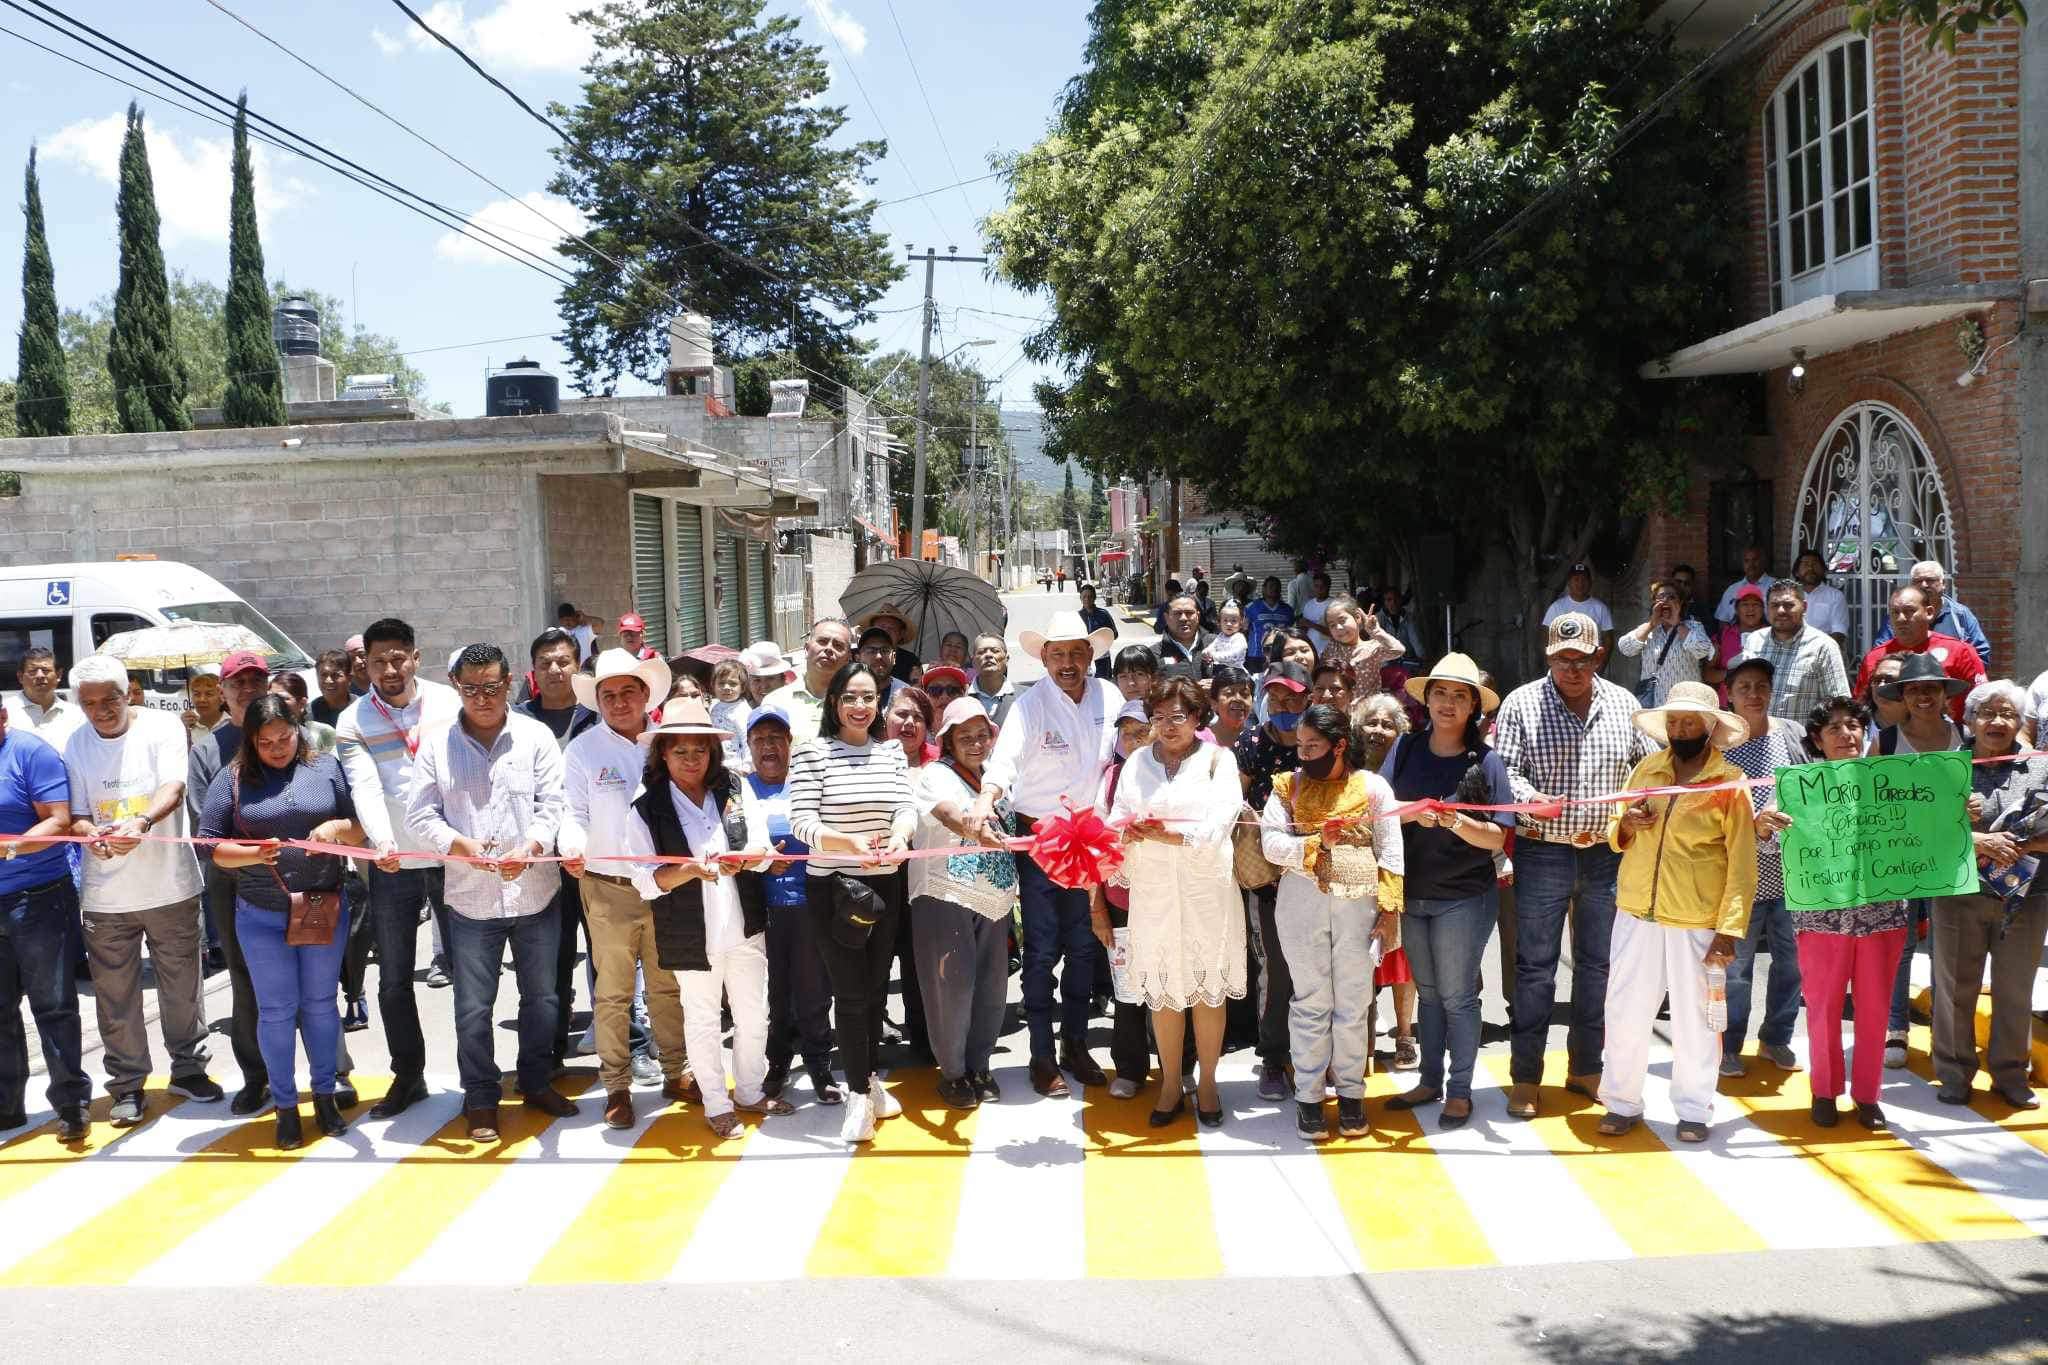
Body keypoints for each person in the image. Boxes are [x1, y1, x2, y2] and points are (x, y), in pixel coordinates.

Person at [1491, 611, 1655, 1120]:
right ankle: (1526, 1076)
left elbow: (1645, 770)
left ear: (1598, 656)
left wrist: (1642, 803)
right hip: (1543, 850)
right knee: (1535, 969)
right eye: (1562, 659)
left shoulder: (1625, 704)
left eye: (1581, 659)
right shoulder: (1521, 703)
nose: (1572, 668)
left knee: (1598, 968)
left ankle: (1586, 1068)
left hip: (1607, 854)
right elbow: (1503, 771)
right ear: (1548, 657)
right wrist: (1529, 797)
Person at [407, 643, 573, 1143]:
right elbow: (419, 814)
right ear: (456, 685)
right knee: (473, 1007)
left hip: (536, 893)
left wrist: (535, 844)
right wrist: (457, 843)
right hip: (469, 899)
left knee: (543, 998)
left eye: (493, 687)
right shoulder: (436, 745)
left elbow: (554, 803)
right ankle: (480, 1097)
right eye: (472, 687)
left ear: (510, 684)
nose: (483, 697)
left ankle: (537, 1079)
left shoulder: (536, 736)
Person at [200, 695, 366, 1149]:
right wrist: (253, 853)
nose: (276, 748)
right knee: (275, 1012)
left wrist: (335, 830)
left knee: (319, 1004)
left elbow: (360, 826)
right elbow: (207, 845)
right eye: (265, 741)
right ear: (250, 742)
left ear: (299, 730)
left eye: (284, 737)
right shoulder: (231, 779)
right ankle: (286, 1107)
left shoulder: (326, 768)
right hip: (260, 913)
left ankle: (326, 1097)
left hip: (322, 905)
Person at [970, 611, 1121, 1097]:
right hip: (1041, 840)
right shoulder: (1030, 706)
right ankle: (1041, 1053)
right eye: (1059, 654)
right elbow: (1004, 763)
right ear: (1044, 658)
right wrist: (984, 800)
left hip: (1092, 837)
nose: (1069, 663)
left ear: (1090, 654)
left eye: (1077, 652)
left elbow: (1130, 751)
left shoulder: (1109, 696)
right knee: (1041, 948)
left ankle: (1076, 1043)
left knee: (1084, 944)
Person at [64, 655, 220, 1126]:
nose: (100, 711)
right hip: (106, 895)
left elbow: (172, 788)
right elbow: (76, 813)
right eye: (88, 703)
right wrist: (91, 832)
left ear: (128, 692)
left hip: (169, 885)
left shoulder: (162, 727)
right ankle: (128, 1084)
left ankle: (188, 1068)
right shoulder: (76, 743)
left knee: (183, 986)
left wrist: (143, 822)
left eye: (108, 699)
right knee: (115, 996)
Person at [1598, 682, 1754, 1143]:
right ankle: (1621, 1103)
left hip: (1697, 919)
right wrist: (1626, 824)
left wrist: (1728, 930)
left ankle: (1693, 1108)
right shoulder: (1646, 769)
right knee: (1624, 1010)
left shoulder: (1730, 782)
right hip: (1636, 912)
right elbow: (1614, 828)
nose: (1680, 728)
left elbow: (1742, 862)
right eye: (1674, 720)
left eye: (1689, 721)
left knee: (1696, 1020)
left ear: (1709, 727)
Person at [622, 700, 785, 1139]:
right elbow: (643, 879)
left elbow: (763, 849)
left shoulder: (734, 788)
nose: (691, 759)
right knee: (703, 1019)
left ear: (713, 752)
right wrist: (689, 870)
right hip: (691, 933)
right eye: (680, 751)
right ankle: (716, 1102)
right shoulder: (645, 808)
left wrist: (745, 859)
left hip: (743, 926)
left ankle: (749, 1091)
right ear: (663, 755)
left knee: (754, 1015)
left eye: (700, 750)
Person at [558, 649, 694, 1130]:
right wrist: (571, 845)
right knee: (613, 993)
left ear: (645, 695)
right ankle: (616, 1085)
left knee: (667, 985)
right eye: (608, 694)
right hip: (607, 886)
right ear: (598, 701)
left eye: (627, 692)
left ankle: (677, 1071)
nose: (618, 702)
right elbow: (572, 813)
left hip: (666, 884)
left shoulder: (667, 743)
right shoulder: (582, 750)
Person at [1259, 703, 1403, 1141]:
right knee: (1310, 1000)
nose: (1303, 754)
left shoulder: (1374, 787)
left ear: (1340, 745)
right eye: (1300, 745)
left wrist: (1390, 910)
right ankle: (1308, 1097)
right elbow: (1270, 844)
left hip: (1359, 904)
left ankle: (1353, 1095)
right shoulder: (1286, 788)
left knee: (1355, 1002)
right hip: (1301, 901)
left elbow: (1391, 849)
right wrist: (1315, 843)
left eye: (1313, 746)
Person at [1106, 677, 1246, 1127]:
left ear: (1198, 718)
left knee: (1207, 990)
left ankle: (1206, 1082)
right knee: (1164, 992)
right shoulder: (1135, 764)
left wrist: (1174, 834)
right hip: (1154, 891)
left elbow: (1224, 815)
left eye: (1178, 716)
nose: (1167, 726)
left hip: (1206, 891)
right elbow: (1115, 819)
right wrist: (1125, 830)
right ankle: (1170, 1084)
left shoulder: (1217, 761)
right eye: (1159, 717)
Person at [336, 618, 461, 1121]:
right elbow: (364, 785)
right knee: (392, 980)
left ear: (415, 657)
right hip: (394, 864)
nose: (389, 669)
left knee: (470, 976)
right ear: (364, 662)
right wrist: (383, 843)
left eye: (398, 658)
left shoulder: (449, 705)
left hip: (453, 858)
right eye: (379, 660)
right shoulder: (353, 720)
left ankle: (479, 1077)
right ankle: (408, 1076)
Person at [789, 661, 918, 1142]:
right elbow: (803, 823)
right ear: (834, 703)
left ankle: (870, 1080)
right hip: (834, 889)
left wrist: (902, 834)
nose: (860, 706)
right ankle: (859, 1096)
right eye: (850, 697)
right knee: (849, 992)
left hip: (884, 885)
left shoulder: (891, 755)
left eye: (868, 697)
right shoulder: (813, 754)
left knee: (875, 987)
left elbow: (905, 806)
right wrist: (849, 844)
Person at [1382, 656, 1510, 1129]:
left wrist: (1458, 821)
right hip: (1412, 891)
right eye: (1440, 693)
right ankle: (1430, 1080)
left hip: (1464, 894)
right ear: (1426, 699)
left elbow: (1499, 836)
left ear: (1474, 705)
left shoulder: (1487, 761)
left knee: (1457, 996)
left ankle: (1459, 1091)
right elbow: (1379, 809)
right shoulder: (1405, 748)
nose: (1448, 704)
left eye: (1460, 695)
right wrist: (1412, 813)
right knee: (1430, 994)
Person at [1786, 696, 1910, 1130]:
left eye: (1854, 725)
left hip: (1883, 917)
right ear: (1817, 740)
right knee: (1822, 1010)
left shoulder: (1890, 781)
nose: (1846, 734)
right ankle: (1824, 1091)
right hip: (1822, 918)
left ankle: (1868, 1097)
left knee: (1875, 1009)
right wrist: (1766, 824)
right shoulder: (1799, 788)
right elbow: (1775, 847)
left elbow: (1921, 832)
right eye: (1834, 728)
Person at [1930, 680, 2048, 1107]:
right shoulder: (1946, 767)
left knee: (2015, 987)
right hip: (1958, 893)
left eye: (2009, 714)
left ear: (2021, 722)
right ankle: (1954, 1072)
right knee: (1955, 986)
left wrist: (2023, 844)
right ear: (1970, 719)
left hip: (2027, 897)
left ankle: (2010, 1073)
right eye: (1988, 713)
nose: (1998, 721)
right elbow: (1922, 833)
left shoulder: (2040, 765)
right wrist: (1975, 838)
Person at [913, 699, 1020, 1108]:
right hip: (945, 896)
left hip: (995, 901)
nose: (975, 744)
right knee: (951, 988)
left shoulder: (995, 778)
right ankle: (953, 1073)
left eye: (982, 735)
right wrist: (973, 827)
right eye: (964, 736)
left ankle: (979, 1065)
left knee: (992, 987)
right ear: (947, 741)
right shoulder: (934, 776)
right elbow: (948, 815)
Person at [0, 698, 94, 1141]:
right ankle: (7, 1107)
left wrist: (11, 847)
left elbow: (57, 822)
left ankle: (71, 1104)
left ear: (2, 717)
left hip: (37, 896)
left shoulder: (30, 753)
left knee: (53, 1005)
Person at [1718, 654, 1806, 1076]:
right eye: (1744, 687)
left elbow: (1815, 790)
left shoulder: (1793, 734)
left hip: (1792, 877)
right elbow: (1711, 810)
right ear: (1729, 695)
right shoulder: (1718, 744)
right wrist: (1752, 825)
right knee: (1736, 969)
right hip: (1741, 878)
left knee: (1792, 964)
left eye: (1762, 686)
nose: (1754, 694)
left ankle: (1776, 1038)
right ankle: (1729, 1045)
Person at [746, 707, 838, 1103]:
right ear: (748, 746)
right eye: (760, 739)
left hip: (808, 902)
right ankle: (778, 1060)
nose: (768, 746)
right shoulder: (740, 789)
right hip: (758, 907)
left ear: (789, 744)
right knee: (773, 991)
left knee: (812, 988)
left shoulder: (805, 783)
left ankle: (819, 1062)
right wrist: (762, 857)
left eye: (776, 738)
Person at [1238, 660, 1309, 1101]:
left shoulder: (1317, 742)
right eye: (1275, 696)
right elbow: (1237, 797)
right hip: (1266, 877)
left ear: (1307, 698)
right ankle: (1272, 1056)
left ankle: (1311, 1057)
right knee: (1276, 970)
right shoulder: (1251, 743)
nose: (1283, 705)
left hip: (1315, 873)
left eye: (1292, 697)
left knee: (1317, 972)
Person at [1093, 699, 1157, 1098]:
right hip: (1121, 897)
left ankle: (1178, 1064)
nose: (1133, 740)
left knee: (1173, 983)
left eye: (1141, 731)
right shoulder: (1110, 777)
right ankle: (1130, 1068)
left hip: (1169, 896)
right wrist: (1097, 907)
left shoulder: (1175, 772)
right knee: (1128, 986)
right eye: (1126, 732)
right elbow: (1096, 846)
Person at [884, 685, 937, 1059]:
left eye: (918, 718)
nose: (908, 723)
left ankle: (924, 1040)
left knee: (921, 965)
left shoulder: (939, 765)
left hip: (926, 880)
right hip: (877, 879)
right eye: (901, 714)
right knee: (873, 965)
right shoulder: (867, 760)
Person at [1854, 584, 1987, 725]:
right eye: (1895, 612)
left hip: (1951, 742)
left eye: (1909, 611)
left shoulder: (1960, 652)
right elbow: (1861, 705)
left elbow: (1981, 701)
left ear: (1929, 612)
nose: (1901, 619)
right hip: (1890, 742)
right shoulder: (1874, 658)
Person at [1741, 580, 1851, 723]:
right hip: (1759, 741)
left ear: (1804, 607)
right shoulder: (1755, 640)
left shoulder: (1823, 646)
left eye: (1788, 605)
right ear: (1767, 609)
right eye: (1774, 605)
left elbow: (1839, 704)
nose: (1781, 610)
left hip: (1801, 743)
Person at [1873, 560, 1993, 669]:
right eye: (1918, 581)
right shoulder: (1898, 617)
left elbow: (1981, 653)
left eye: (1930, 580)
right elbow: (1882, 651)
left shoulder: (1960, 614)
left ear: (1943, 583)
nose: (1924, 585)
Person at [1617, 579, 1715, 705]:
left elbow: (1703, 650)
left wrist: (1676, 623)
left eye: (1671, 597)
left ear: (1680, 603)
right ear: (1654, 603)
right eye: (1661, 597)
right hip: (1656, 704)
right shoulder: (1648, 630)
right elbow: (1625, 648)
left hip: (1686, 702)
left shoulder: (1693, 626)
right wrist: (1651, 624)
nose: (1666, 600)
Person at [764, 617, 855, 748]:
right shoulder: (775, 702)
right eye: (822, 641)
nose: (829, 648)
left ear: (848, 658)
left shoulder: (858, 704)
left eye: (838, 645)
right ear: (806, 649)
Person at [518, 628, 600, 746]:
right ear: (534, 670)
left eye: (563, 663)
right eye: (545, 664)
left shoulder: (597, 715)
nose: (554, 670)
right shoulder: (518, 720)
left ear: (578, 666)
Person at [1322, 595, 1406, 700]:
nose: (1338, 627)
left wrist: (1376, 632)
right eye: (1332, 625)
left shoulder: (1371, 648)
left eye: (1342, 620)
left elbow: (1398, 650)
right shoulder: (1331, 649)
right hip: (1341, 712)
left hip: (1368, 712)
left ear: (1357, 617)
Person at [5, 646, 84, 750]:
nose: (40, 675)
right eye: (33, 671)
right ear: (20, 677)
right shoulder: (5, 712)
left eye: (45, 670)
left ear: (58, 675)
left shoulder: (76, 715)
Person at [1543, 562, 1614, 645]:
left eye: (1584, 579)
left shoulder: (1600, 608)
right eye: (1576, 579)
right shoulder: (1557, 607)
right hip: (1563, 656)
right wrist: (1552, 657)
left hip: (1592, 656)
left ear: (1590, 583)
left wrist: (1602, 658)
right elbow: (1546, 634)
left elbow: (1608, 639)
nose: (1580, 584)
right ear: (1569, 583)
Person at [1790, 549, 1850, 648]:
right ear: (1796, 572)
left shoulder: (1835, 596)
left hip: (1823, 651)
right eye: (1805, 564)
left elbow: (1839, 633)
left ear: (1823, 571)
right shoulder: (1789, 596)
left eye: (1815, 564)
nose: (1810, 568)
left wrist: (1815, 650)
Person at [1713, 585, 1767, 692]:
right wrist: (1731, 674)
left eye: (1756, 604)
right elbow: (1708, 673)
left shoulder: (1773, 636)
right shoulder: (1723, 636)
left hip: (1762, 702)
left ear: (1763, 609)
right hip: (1727, 705)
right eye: (1745, 604)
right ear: (1737, 609)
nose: (1750, 609)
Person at [855, 603, 922, 683]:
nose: (885, 631)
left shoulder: (911, 661)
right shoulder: (855, 656)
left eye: (891, 628)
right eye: (881, 627)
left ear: (901, 634)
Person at [1153, 593, 1213, 679]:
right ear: (1166, 618)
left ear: (1198, 616)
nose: (1183, 618)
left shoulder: (1217, 644)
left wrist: (1216, 684)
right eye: (1177, 613)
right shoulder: (1154, 655)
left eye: (1189, 613)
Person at [708, 658, 753, 767]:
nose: (726, 688)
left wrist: (747, 766)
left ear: (742, 687)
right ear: (713, 686)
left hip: (736, 765)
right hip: (717, 762)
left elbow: (748, 739)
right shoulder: (714, 706)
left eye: (733, 684)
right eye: (721, 683)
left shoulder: (742, 710)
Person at [1245, 576, 1296, 670]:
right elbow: (1245, 630)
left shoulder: (1288, 610)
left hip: (1282, 654)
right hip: (1257, 655)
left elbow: (1291, 631)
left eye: (1277, 587)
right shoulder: (1251, 607)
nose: (1275, 589)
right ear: (1264, 589)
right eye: (1271, 586)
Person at [1712, 546, 1774, 624]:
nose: (1751, 564)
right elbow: (1723, 620)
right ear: (1742, 564)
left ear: (1763, 562)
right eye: (1746, 561)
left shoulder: (1775, 587)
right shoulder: (1732, 590)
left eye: (1755, 560)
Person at [971, 634, 1016, 725]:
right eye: (981, 652)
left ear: (1006, 659)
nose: (988, 655)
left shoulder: (1026, 696)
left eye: (995, 651)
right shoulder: (960, 698)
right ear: (973, 661)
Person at [1208, 664, 1254, 751]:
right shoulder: (1197, 741)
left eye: (1244, 694)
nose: (1238, 699)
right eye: (1229, 693)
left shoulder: (1257, 740)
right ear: (1214, 703)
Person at [1077, 584, 1117, 680]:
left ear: (1094, 598)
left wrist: (1103, 637)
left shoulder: (1103, 614)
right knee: (1085, 683)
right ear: (1080, 598)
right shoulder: (1076, 617)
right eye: (1084, 597)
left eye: (1090, 596)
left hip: (1102, 653)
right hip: (1084, 655)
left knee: (1104, 681)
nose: (1087, 599)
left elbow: (1114, 634)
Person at [1379, 586, 1425, 669]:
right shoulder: (1378, 618)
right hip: (1385, 663)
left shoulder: (1409, 617)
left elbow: (1416, 640)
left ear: (1401, 600)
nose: (1393, 602)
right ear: (1385, 602)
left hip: (1406, 661)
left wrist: (1422, 658)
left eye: (1396, 599)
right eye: (1389, 600)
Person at [739, 640, 793, 706]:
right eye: (757, 680)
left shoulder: (795, 708)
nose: (764, 686)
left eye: (770, 678)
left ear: (783, 680)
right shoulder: (740, 712)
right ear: (748, 684)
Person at [310, 650, 355, 727]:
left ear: (349, 678)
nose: (328, 681)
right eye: (323, 675)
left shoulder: (361, 710)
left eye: (335, 675)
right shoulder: (310, 711)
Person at [1204, 602, 1249, 674]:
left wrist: (1214, 656)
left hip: (1235, 671)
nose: (1229, 624)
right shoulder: (1220, 636)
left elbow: (1234, 655)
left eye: (1233, 621)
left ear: (1240, 624)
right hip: (1219, 669)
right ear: (1219, 623)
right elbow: (1212, 646)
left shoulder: (1239, 638)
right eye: (1225, 620)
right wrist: (1206, 652)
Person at [184, 665, 227, 741]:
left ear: (222, 696)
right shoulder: (188, 726)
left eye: (209, 694)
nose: (202, 699)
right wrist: (183, 731)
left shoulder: (233, 723)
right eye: (197, 694)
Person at [1300, 571, 1335, 655]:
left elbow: (1335, 632)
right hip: (1312, 651)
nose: (1319, 590)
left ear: (1328, 587)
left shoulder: (1334, 604)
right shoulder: (1309, 605)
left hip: (1329, 652)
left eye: (1322, 586)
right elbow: (1305, 629)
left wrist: (1311, 624)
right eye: (1316, 586)